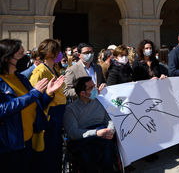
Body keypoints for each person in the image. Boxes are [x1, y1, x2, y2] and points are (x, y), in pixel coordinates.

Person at [0, 39, 64, 173]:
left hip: (27, 141)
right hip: (10, 145)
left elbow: (35, 104)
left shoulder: (20, 78)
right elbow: (2, 110)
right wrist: (32, 94)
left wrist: (48, 94)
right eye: (21, 54)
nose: (26, 57)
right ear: (7, 58)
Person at [29, 39, 67, 173]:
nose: (61, 54)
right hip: (49, 116)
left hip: (57, 115)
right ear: (52, 53)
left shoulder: (53, 69)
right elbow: (33, 97)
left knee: (56, 151)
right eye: (59, 51)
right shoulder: (39, 71)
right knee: (49, 152)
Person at [63, 76, 115, 173]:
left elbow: (109, 120)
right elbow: (73, 133)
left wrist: (110, 130)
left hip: (103, 136)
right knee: (85, 157)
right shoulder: (70, 110)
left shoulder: (100, 102)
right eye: (91, 88)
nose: (95, 89)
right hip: (83, 140)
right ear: (83, 93)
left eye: (94, 86)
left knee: (108, 151)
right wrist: (96, 133)